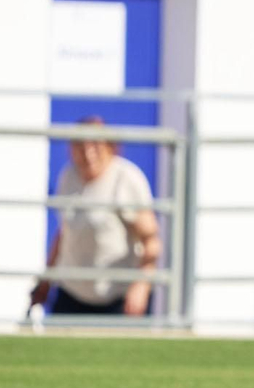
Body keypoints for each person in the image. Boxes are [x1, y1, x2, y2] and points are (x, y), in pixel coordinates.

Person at [31, 118, 162, 317]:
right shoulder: (68, 176)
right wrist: (45, 282)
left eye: (95, 144)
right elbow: (65, 234)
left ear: (110, 147)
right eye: (80, 144)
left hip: (117, 298)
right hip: (72, 294)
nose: (88, 152)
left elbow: (151, 240)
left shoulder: (126, 178)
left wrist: (141, 286)